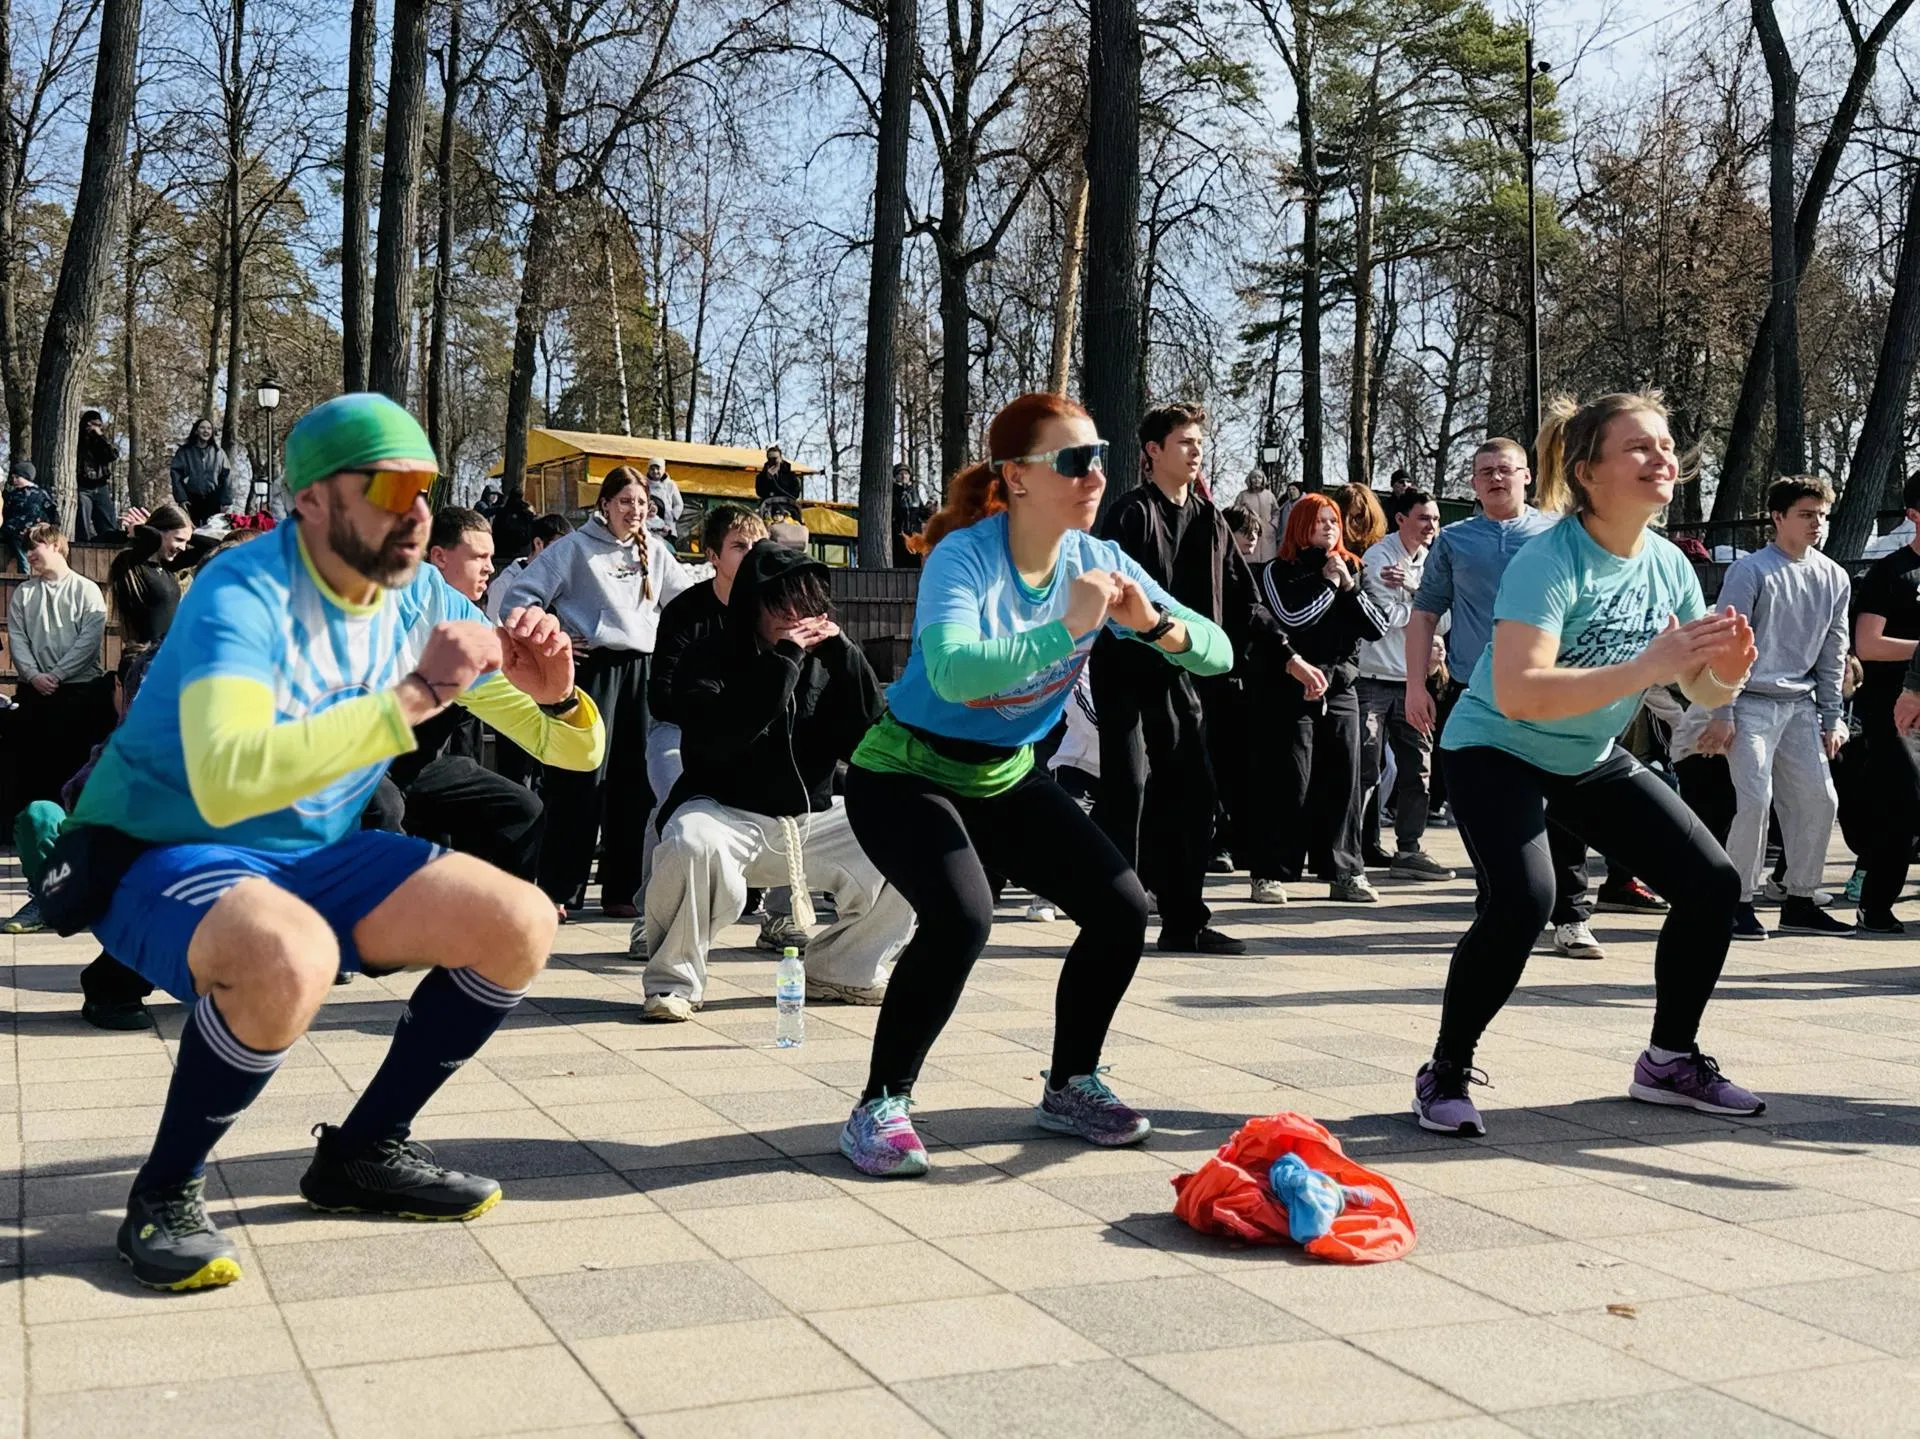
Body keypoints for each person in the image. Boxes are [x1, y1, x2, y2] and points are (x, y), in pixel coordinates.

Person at [54, 392, 606, 1290]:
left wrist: (554, 696)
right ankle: (163, 1192)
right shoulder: (243, 588)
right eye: (388, 486)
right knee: (290, 953)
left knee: (522, 922)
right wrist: (419, 697)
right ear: (310, 500)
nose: (418, 510)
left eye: (426, 487)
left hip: (310, 854)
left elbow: (568, 748)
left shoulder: (421, 594)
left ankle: (363, 1154)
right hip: (160, 849)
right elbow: (230, 776)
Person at [834, 391, 1232, 1178]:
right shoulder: (967, 556)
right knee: (960, 918)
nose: (1097, 476)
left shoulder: (1098, 560)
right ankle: (880, 1103)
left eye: (1102, 457)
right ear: (1016, 477)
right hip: (904, 770)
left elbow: (1217, 650)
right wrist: (1068, 627)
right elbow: (950, 670)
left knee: (1122, 908)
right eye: (1076, 461)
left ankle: (1069, 1085)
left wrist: (1152, 625)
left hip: (1007, 774)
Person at [1413, 391, 1761, 1138]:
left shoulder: (1668, 562)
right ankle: (1445, 1068)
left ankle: (1668, 1060)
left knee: (1712, 884)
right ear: (1587, 473)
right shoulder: (1548, 559)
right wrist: (1649, 665)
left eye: (1666, 444)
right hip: (1494, 745)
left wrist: (1725, 673)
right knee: (1525, 899)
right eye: (1638, 446)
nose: (1661, 457)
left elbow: (1691, 683)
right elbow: (1520, 690)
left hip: (1585, 754)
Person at [642, 541, 913, 1017]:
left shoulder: (828, 663)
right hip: (723, 812)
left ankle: (844, 969)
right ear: (752, 605)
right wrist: (783, 661)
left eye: (805, 604)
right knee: (690, 841)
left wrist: (848, 659)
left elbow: (868, 741)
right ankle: (674, 982)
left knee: (915, 829)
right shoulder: (708, 656)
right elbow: (724, 736)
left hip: (808, 817)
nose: (794, 615)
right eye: (780, 604)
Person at [1406, 439, 1606, 959]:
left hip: (1550, 687)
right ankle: (1501, 901)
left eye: (1506, 470)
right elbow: (1425, 614)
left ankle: (1571, 915)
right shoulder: (1453, 541)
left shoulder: (1558, 533)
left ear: (1527, 477)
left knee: (1563, 803)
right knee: (1485, 807)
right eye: (1484, 471)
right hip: (1476, 693)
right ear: (1472, 483)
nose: (1496, 478)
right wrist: (1414, 686)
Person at [1092, 401, 1250, 954]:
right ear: (1152, 452)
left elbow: (1240, 598)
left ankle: (1184, 922)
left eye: (1199, 442)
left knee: (1192, 791)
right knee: (1128, 787)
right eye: (1184, 442)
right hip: (1125, 670)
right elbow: (1110, 599)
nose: (1196, 451)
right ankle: (1113, 915)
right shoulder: (1129, 513)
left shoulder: (1211, 519)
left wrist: (1283, 653)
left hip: (1182, 671)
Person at [504, 465, 694, 916]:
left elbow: (686, 604)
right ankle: (560, 887)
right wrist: (557, 638)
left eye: (642, 504)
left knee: (634, 782)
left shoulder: (658, 552)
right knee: (579, 778)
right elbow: (519, 598)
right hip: (592, 671)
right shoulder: (572, 550)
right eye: (625, 502)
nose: (634, 511)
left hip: (643, 671)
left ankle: (622, 889)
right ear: (604, 504)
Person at [1701, 476, 1852, 941]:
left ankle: (1800, 899)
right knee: (1753, 800)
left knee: (1820, 799)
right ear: (1778, 517)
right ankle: (1738, 901)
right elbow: (1727, 644)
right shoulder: (1751, 572)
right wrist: (1722, 710)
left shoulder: (1834, 575)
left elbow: (1834, 650)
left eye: (1822, 516)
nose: (1817, 525)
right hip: (1750, 702)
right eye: (1806, 515)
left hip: (1801, 706)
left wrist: (1834, 716)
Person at [628, 503, 771, 960]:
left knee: (800, 789)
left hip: (758, 735)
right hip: (681, 731)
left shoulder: (775, 609)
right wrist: (719, 715)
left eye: (757, 546)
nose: (751, 555)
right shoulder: (685, 612)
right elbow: (662, 696)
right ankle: (650, 917)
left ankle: (787, 915)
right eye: (739, 546)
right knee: (673, 799)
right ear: (712, 555)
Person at [1244, 494, 1389, 905]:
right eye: (1320, 520)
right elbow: (1293, 619)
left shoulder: (1352, 567)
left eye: (1334, 521)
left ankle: (1345, 870)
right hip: (1290, 687)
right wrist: (1326, 584)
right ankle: (1270, 871)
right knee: (1291, 779)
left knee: (1344, 778)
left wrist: (1347, 586)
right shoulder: (1277, 571)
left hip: (1341, 688)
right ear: (1300, 526)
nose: (1329, 528)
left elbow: (1375, 627)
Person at [1357, 489, 1451, 880]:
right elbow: (1381, 617)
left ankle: (1409, 849)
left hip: (1412, 681)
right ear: (1401, 520)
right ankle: (1357, 847)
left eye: (1435, 519)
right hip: (1373, 679)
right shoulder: (1378, 556)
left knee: (1418, 768)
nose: (1431, 527)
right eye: (1424, 518)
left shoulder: (1433, 561)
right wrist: (1422, 610)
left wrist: (1412, 588)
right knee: (1365, 768)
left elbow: (1444, 621)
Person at [1852, 472, 1920, 934]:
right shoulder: (1890, 573)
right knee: (1907, 804)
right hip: (1890, 710)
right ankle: (1875, 902)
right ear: (1914, 515)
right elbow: (1868, 644)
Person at [7, 521, 113, 806]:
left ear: (55, 545)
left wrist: (56, 674)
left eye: (34, 547)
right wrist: (33, 675)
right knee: (34, 768)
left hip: (80, 693)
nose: (29, 554)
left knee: (75, 767)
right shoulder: (23, 594)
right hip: (35, 693)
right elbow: (17, 639)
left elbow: (89, 643)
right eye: (27, 549)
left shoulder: (87, 590)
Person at [108, 503, 221, 649]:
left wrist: (187, 534)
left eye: (186, 542)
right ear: (158, 532)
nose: (183, 548)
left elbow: (214, 547)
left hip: (165, 653)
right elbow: (152, 536)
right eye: (179, 540)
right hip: (143, 656)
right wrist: (140, 528)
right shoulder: (133, 563)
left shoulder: (166, 566)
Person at [485, 513, 572, 622]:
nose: (564, 556)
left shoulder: (563, 581)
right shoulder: (505, 584)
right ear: (538, 543)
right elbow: (495, 629)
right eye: (559, 548)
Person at [169, 419, 233, 525]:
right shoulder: (185, 452)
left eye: (209, 428)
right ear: (196, 431)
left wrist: (226, 501)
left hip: (214, 500)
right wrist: (181, 498)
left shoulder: (219, 453)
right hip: (191, 500)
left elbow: (227, 477)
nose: (206, 431)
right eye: (202, 427)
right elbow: (176, 475)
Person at [74, 410, 120, 542]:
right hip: (82, 486)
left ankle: (109, 544)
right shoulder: (77, 440)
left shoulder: (100, 442)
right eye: (92, 424)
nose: (94, 427)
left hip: (100, 485)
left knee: (107, 521)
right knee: (82, 522)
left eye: (98, 425)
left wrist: (100, 436)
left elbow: (112, 455)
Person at [2, 459, 53, 571]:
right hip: (10, 531)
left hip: (29, 532)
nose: (14, 480)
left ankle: (24, 576)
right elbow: (5, 513)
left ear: (26, 477)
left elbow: (52, 511)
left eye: (17, 477)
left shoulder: (40, 494)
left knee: (23, 558)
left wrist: (50, 526)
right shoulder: (12, 495)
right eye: (13, 477)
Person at [892, 463, 929, 567]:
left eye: (906, 473)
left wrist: (929, 510)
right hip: (899, 536)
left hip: (915, 535)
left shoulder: (915, 491)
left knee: (915, 563)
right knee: (900, 563)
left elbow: (922, 514)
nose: (904, 476)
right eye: (900, 474)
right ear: (895, 476)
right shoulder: (892, 492)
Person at [1237, 472, 1280, 562]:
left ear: (1263, 479)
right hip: (1250, 531)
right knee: (1251, 562)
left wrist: (1273, 525)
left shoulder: (1269, 495)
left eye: (1259, 477)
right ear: (1249, 480)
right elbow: (1237, 513)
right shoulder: (1243, 495)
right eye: (1254, 477)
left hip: (1267, 534)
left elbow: (1276, 512)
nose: (1257, 479)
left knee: (1268, 562)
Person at [1339, 482, 1387, 557]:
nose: (1352, 524)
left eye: (1359, 516)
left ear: (1372, 518)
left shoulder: (1382, 553)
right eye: (1344, 516)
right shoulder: (1325, 553)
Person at [645, 459, 683, 545]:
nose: (655, 471)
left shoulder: (671, 484)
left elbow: (679, 504)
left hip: (667, 524)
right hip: (649, 524)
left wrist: (672, 516)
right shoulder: (644, 484)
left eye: (658, 468)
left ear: (663, 469)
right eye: (652, 468)